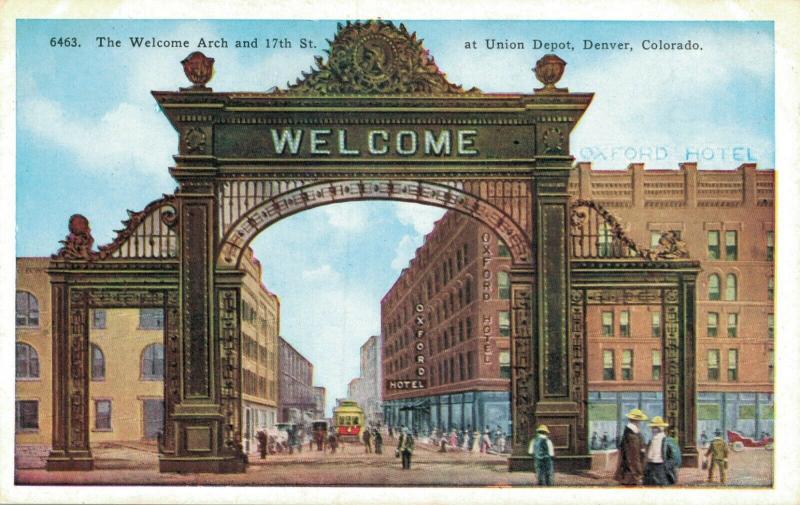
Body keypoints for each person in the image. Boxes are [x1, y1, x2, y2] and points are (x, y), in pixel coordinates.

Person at [614, 408, 648, 486]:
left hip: (628, 473)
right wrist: (638, 474)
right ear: (637, 421)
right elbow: (634, 457)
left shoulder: (630, 433)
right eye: (640, 421)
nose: (640, 423)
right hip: (631, 475)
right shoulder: (632, 435)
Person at [644, 416, 681, 486]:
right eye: (652, 428)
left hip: (661, 468)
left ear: (659, 429)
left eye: (655, 428)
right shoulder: (651, 440)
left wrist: (666, 467)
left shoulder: (668, 441)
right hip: (650, 468)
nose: (652, 430)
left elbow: (676, 459)